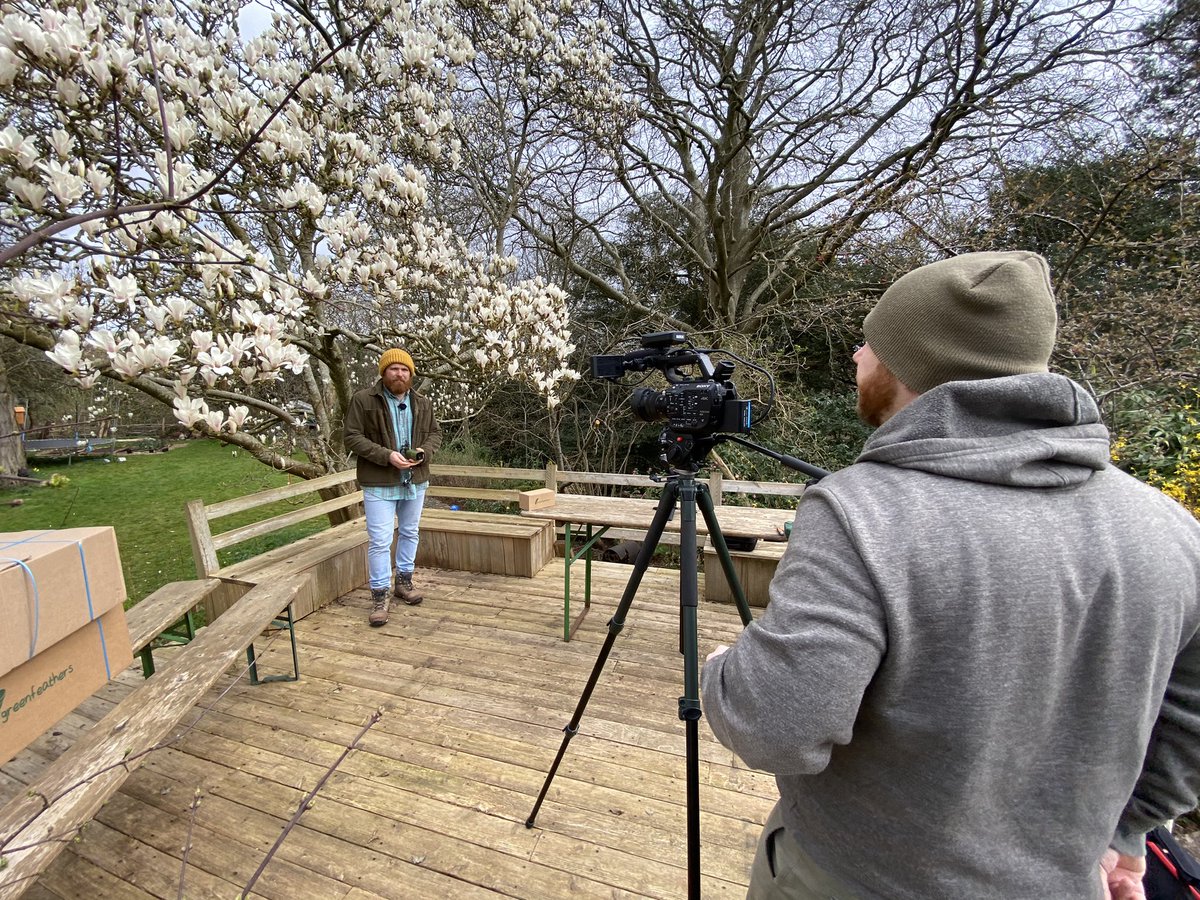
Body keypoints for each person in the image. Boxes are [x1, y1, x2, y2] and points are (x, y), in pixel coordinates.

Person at [701, 251, 1200, 900]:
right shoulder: (1171, 532)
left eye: (873, 344)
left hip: (855, 879)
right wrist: (1127, 832)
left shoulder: (863, 512)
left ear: (913, 365)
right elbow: (1189, 719)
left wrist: (720, 673)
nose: (857, 357)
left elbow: (779, 726)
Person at [343, 348, 441, 627]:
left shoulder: (423, 402)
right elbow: (351, 436)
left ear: (411, 374)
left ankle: (404, 583)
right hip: (379, 483)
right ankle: (379, 595)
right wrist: (385, 456)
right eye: (393, 369)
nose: (399, 374)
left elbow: (435, 434)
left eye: (404, 370)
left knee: (410, 532)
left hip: (415, 481)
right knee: (380, 541)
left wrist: (424, 452)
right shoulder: (363, 400)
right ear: (383, 372)